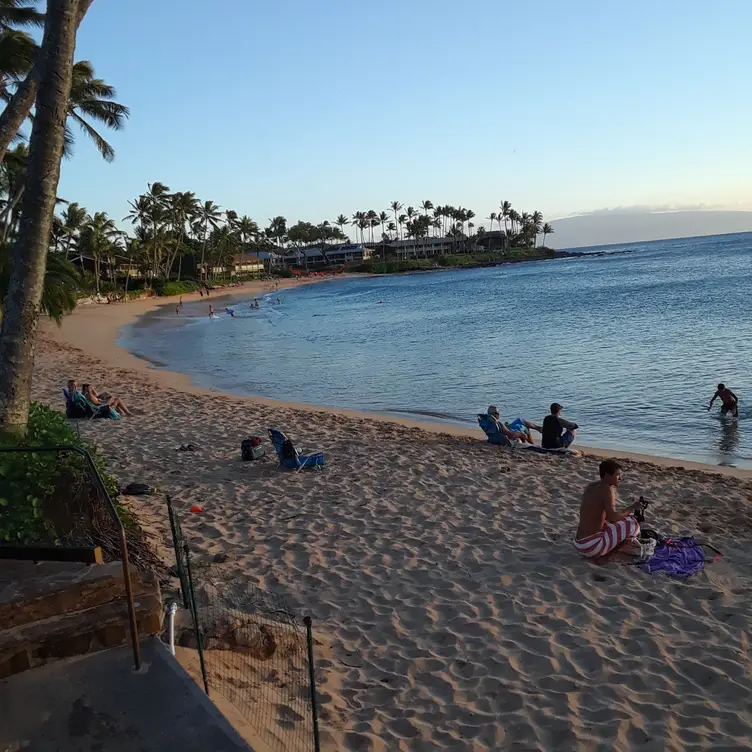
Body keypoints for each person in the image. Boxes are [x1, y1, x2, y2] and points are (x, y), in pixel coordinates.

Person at [574, 459, 642, 559]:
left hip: (579, 542)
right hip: (591, 547)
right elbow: (613, 518)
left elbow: (600, 515)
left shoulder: (591, 486)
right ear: (607, 475)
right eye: (617, 475)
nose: (620, 478)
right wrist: (632, 507)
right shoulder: (607, 489)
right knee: (634, 524)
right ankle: (623, 548)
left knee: (624, 519)